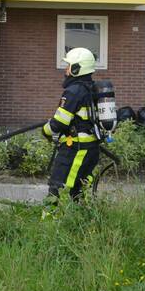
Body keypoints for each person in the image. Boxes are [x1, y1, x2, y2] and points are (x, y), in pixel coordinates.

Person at [42, 47, 101, 201]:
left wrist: (46, 130)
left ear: (76, 69)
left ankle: (50, 221)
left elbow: (59, 123)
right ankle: (79, 219)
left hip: (75, 148)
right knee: (77, 189)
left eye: (68, 66)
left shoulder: (74, 91)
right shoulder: (91, 88)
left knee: (58, 186)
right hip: (90, 148)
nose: (66, 70)